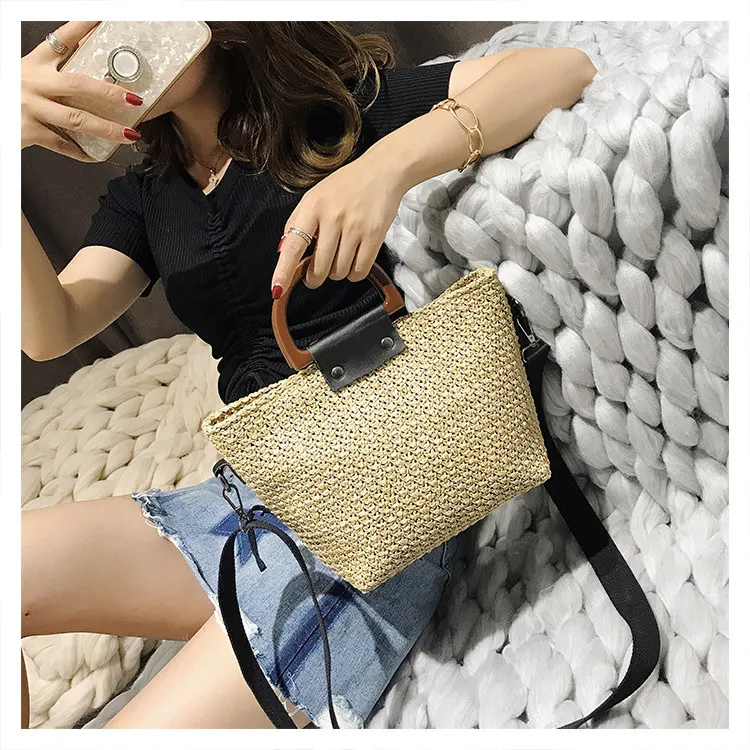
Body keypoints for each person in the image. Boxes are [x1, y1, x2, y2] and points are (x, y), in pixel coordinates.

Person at [21, 20, 597, 729]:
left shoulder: (329, 114)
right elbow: (51, 330)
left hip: (374, 500)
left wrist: (382, 168)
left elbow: (561, 68)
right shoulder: (146, 197)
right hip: (247, 497)